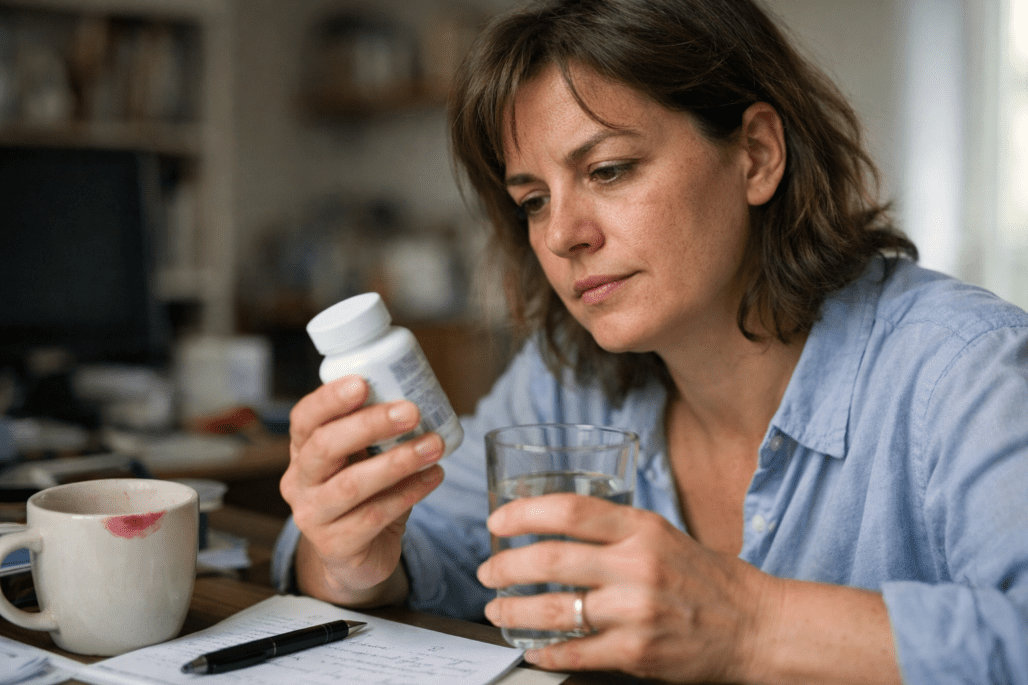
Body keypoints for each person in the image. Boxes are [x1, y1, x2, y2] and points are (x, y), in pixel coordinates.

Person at [274, 0, 1028, 682]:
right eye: (533, 200)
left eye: (608, 169)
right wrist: (349, 557)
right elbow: (430, 547)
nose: (564, 235)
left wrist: (750, 625)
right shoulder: (567, 378)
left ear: (757, 154)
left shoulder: (965, 369)